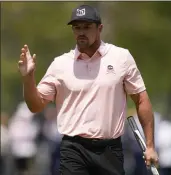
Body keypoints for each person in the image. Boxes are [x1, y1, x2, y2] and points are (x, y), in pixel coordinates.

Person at [18, 4, 158, 175]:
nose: (81, 32)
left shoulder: (121, 58)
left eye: (87, 27)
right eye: (77, 28)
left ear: (100, 28)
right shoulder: (60, 64)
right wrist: (28, 78)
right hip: (73, 149)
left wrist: (150, 146)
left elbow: (141, 99)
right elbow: (36, 105)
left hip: (110, 149)